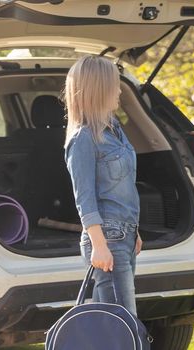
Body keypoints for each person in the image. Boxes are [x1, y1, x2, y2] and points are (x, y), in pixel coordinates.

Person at [64, 55, 142, 316]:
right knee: (122, 321)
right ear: (98, 89)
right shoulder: (83, 139)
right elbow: (84, 198)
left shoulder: (115, 131)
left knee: (109, 324)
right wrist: (98, 244)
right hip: (107, 238)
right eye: (114, 85)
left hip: (124, 235)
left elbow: (124, 187)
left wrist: (134, 231)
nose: (119, 90)